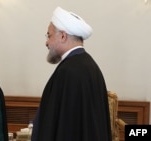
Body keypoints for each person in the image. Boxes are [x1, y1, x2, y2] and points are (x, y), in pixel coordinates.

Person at [31, 7, 112, 141]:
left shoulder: (68, 71)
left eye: (49, 35)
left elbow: (64, 128)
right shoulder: (89, 65)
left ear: (63, 36)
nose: (47, 42)